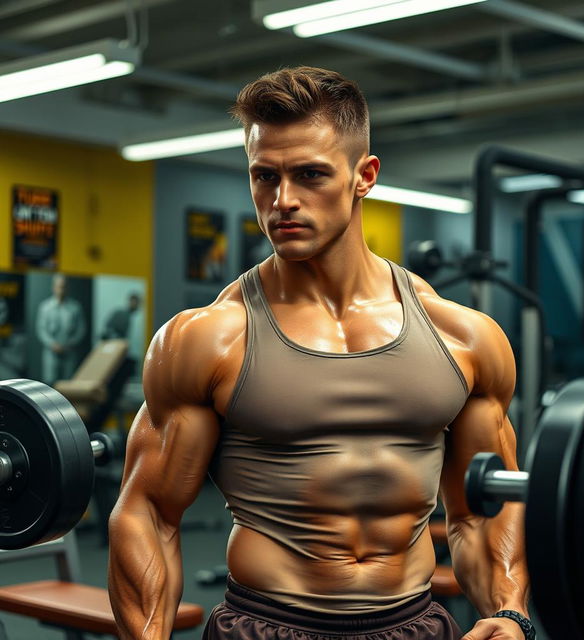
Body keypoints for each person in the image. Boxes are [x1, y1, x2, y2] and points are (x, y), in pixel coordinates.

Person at [108, 67, 532, 640]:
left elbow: (481, 510)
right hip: (268, 625)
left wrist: (507, 613)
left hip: (412, 624)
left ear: (365, 176)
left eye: (310, 175)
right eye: (264, 177)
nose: (282, 201)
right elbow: (148, 514)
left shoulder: (464, 338)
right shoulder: (208, 339)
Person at [36, 273, 86, 385]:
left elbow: (81, 330)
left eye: (64, 287)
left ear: (67, 288)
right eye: (59, 286)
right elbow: (41, 329)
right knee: (49, 384)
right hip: (51, 352)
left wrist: (70, 343)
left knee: (68, 384)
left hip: (69, 351)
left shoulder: (75, 307)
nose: (61, 290)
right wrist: (52, 344)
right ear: (53, 287)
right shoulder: (45, 307)